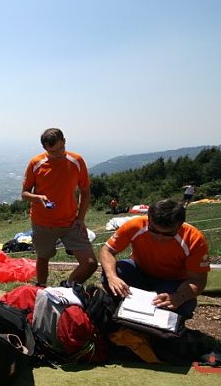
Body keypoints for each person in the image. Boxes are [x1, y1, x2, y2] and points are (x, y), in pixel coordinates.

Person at [99, 198, 210, 319]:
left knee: (180, 306)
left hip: (174, 281)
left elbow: (198, 280)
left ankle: (168, 323)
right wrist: (112, 277)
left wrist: (179, 297)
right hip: (140, 271)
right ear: (148, 219)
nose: (159, 237)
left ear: (180, 226)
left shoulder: (194, 239)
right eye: (154, 230)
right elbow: (107, 251)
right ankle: (119, 307)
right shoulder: (135, 225)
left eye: (168, 234)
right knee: (114, 272)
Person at [21, 128, 97, 287]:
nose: (58, 154)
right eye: (53, 151)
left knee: (90, 263)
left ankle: (67, 286)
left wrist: (81, 218)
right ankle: (41, 287)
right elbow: (25, 194)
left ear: (64, 141)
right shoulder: (36, 163)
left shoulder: (77, 161)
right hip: (42, 223)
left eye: (60, 149)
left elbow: (85, 191)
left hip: (70, 223)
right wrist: (38, 198)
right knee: (43, 258)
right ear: (45, 148)